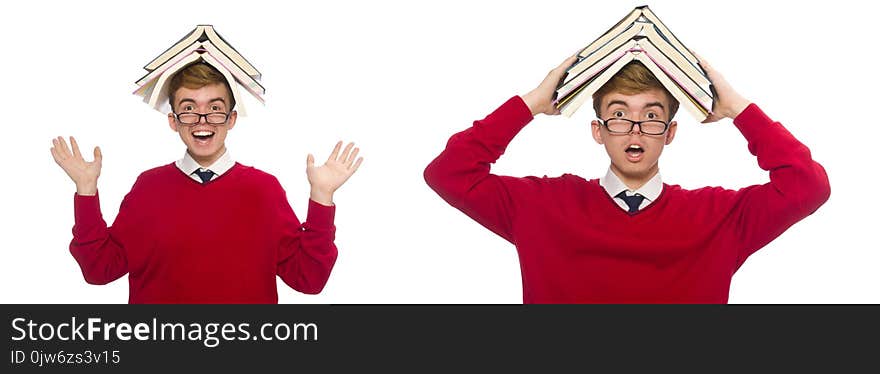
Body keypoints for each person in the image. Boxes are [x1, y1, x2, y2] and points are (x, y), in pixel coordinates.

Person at [423, 54, 830, 303]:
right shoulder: (540, 204)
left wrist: (738, 109)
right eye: (619, 114)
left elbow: (807, 186)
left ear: (670, 133)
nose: (635, 129)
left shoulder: (721, 216)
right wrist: (529, 104)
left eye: (651, 116)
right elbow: (449, 173)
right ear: (598, 131)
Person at [50, 62, 363, 303]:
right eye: (189, 109)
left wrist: (322, 197)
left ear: (231, 120)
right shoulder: (148, 188)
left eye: (215, 109)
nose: (202, 120)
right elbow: (99, 269)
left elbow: (308, 279)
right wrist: (86, 191)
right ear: (173, 121)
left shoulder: (263, 190)